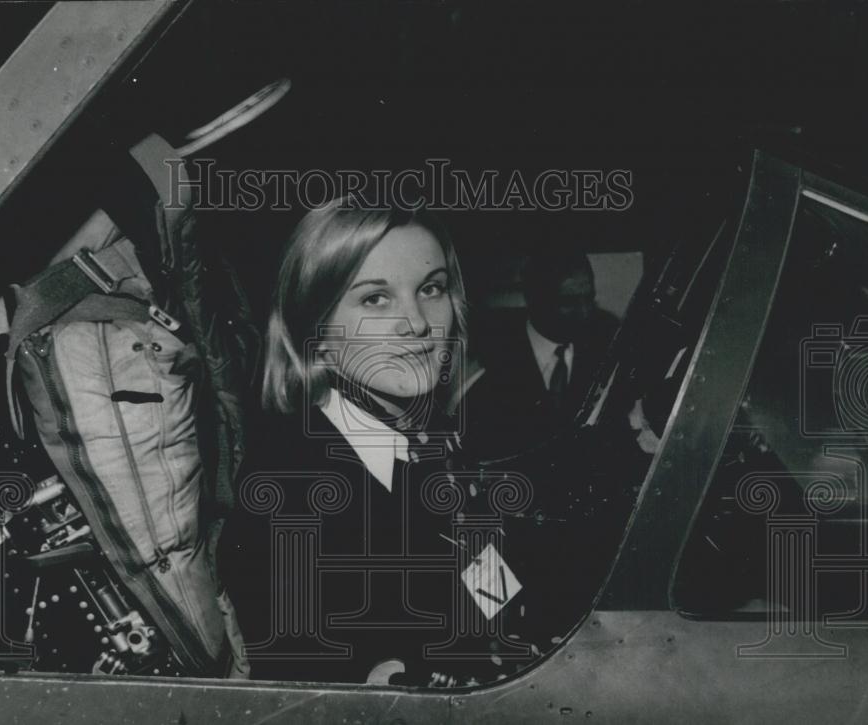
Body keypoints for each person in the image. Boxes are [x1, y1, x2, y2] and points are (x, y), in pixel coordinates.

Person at [218, 199, 532, 684]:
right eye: (375, 299)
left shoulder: (432, 445)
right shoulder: (290, 493)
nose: (418, 323)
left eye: (432, 288)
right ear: (316, 332)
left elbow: (498, 601)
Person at [458, 242, 620, 461]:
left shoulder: (609, 336)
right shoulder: (488, 352)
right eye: (568, 302)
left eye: (589, 299)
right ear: (534, 299)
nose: (584, 312)